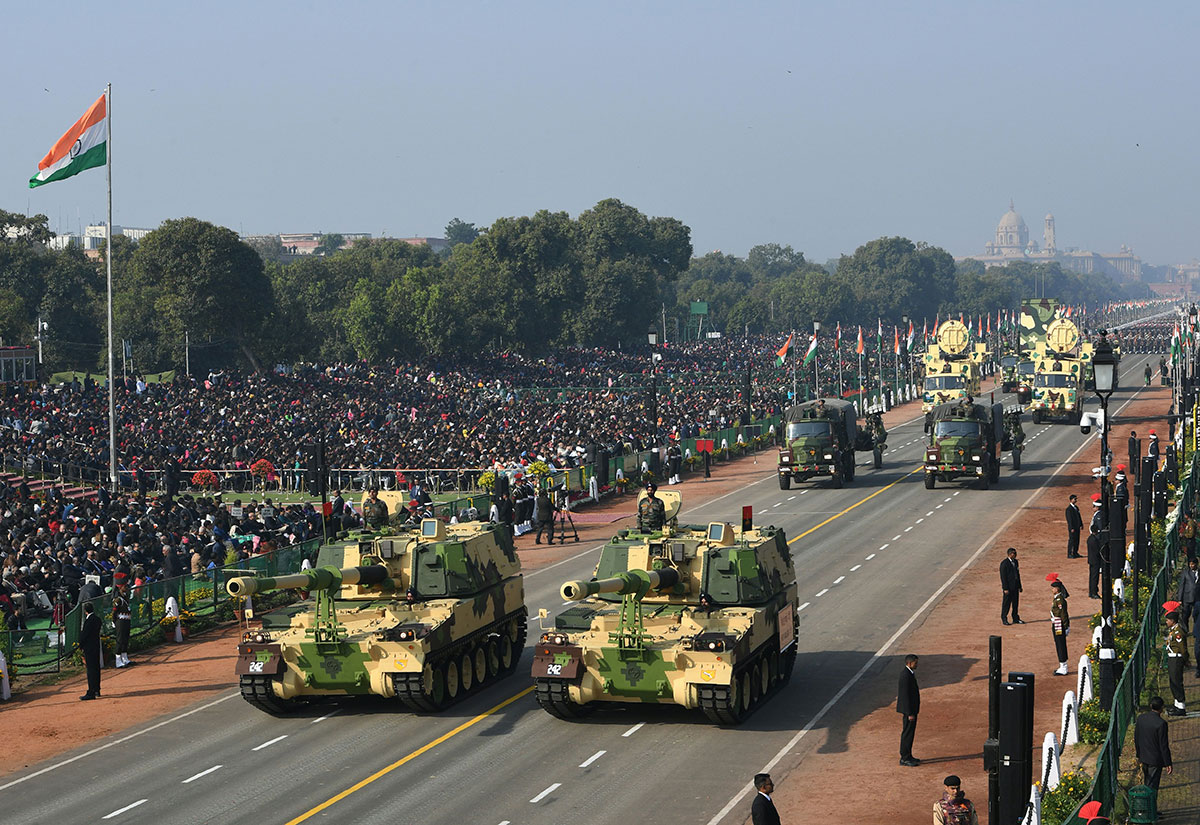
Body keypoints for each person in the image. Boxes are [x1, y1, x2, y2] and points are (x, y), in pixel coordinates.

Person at [1134, 697, 1173, 792]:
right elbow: (1163, 745)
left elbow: (1136, 737)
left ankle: (1146, 803)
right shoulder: (1161, 724)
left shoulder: (1141, 718)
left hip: (1144, 756)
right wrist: (1168, 762)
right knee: (1152, 786)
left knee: (1147, 781)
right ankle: (1150, 805)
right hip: (1155, 760)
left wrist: (1139, 754)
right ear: (1161, 708)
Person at [897, 653, 920, 766]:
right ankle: (905, 757)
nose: (917, 664)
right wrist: (909, 712)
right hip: (909, 711)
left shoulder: (908, 674)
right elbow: (905, 696)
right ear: (910, 663)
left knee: (910, 733)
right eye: (915, 662)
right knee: (907, 733)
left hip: (911, 710)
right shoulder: (905, 675)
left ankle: (908, 755)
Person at [1164, 609, 1188, 716]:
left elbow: (1182, 648)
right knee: (1172, 682)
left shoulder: (1178, 632)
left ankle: (1181, 706)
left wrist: (1185, 659)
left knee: (1177, 681)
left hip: (1176, 659)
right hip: (1172, 658)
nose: (1166, 622)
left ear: (1173, 621)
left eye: (1168, 620)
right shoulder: (1173, 631)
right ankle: (1177, 704)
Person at [1049, 574, 1070, 675]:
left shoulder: (1059, 600)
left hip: (1059, 624)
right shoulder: (1057, 598)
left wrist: (1066, 626)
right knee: (1059, 644)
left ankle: (1063, 666)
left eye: (1053, 587)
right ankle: (1062, 665)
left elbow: (1063, 614)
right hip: (1057, 623)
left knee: (1060, 644)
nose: (1052, 589)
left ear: (1057, 588)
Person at [80, 600, 102, 700]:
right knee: (96, 668)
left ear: (85, 611)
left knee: (91, 670)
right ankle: (97, 689)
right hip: (96, 646)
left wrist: (80, 645)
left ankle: (91, 691)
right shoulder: (97, 619)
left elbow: (84, 635)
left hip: (89, 648)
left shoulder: (88, 621)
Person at [112, 573, 132, 668]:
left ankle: (125, 657)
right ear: (120, 587)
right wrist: (113, 621)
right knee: (120, 640)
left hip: (126, 620)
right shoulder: (118, 599)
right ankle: (118, 660)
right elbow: (114, 612)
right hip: (120, 621)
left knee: (125, 639)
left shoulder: (125, 596)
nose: (126, 587)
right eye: (125, 586)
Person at [1000, 547, 1024, 625]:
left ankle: (1015, 618)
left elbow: (1017, 574)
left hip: (1015, 586)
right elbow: (1003, 577)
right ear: (1009, 554)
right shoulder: (1004, 564)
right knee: (1006, 604)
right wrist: (1005, 588)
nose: (1015, 555)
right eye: (1014, 553)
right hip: (1009, 588)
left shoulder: (1016, 562)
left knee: (1015, 603)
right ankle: (1004, 618)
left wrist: (1020, 586)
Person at [1176, 557, 1200, 635]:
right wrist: (1180, 599)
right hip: (1187, 597)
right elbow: (1181, 586)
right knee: (1185, 615)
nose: (1191, 566)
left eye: (1193, 564)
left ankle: (1196, 631)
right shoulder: (1186, 573)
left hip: (1197, 598)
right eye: (1190, 564)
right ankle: (1185, 630)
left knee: (1196, 615)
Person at [1086, 522, 1103, 599]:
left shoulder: (1090, 538)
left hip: (1091, 560)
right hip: (1095, 561)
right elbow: (1097, 551)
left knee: (1092, 577)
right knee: (1094, 577)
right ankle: (1093, 592)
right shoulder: (1094, 540)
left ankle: (1092, 592)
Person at [1065, 494, 1083, 559]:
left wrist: (1081, 524)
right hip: (1073, 528)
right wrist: (1071, 528)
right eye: (1075, 499)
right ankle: (1069, 553)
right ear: (1071, 500)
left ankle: (1075, 552)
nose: (1076, 500)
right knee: (1072, 540)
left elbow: (1079, 517)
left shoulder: (1076, 508)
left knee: (1077, 540)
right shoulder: (1068, 509)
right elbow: (1069, 520)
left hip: (1077, 527)